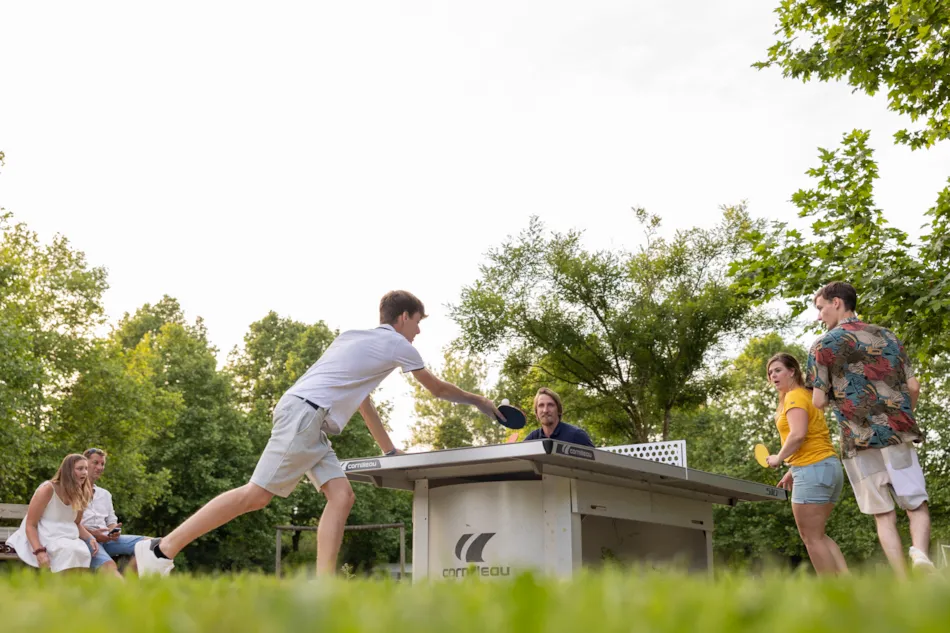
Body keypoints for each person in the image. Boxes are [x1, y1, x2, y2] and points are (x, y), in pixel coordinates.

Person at [135, 290, 502, 577]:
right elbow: (436, 389)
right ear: (404, 317)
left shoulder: (354, 338)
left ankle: (326, 586)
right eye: (418, 322)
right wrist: (481, 402)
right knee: (256, 495)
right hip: (306, 417)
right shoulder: (397, 345)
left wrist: (390, 452)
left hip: (310, 419)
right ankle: (161, 549)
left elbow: (362, 402)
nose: (419, 331)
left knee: (341, 497)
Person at [807, 281, 935, 575]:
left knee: (883, 513)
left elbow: (817, 401)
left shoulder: (822, 345)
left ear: (836, 302)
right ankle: (922, 557)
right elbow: (913, 386)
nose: (819, 316)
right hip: (897, 433)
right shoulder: (887, 336)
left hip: (858, 439)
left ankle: (904, 583)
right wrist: (898, 414)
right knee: (915, 504)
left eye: (820, 308)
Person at [764, 353, 848, 575]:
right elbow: (812, 437)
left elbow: (798, 435)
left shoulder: (794, 397)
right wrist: (792, 468)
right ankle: (847, 586)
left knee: (811, 538)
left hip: (812, 470)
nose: (773, 375)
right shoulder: (805, 395)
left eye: (778, 370)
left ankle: (832, 594)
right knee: (818, 534)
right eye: (770, 372)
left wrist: (778, 459)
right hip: (829, 469)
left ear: (792, 371)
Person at [7, 454, 98, 572]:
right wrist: (39, 551)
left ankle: (74, 588)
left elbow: (76, 523)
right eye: (80, 469)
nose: (85, 472)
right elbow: (30, 524)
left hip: (68, 537)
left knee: (83, 551)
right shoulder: (48, 489)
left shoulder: (82, 492)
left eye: (86, 468)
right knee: (69, 551)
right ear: (68, 471)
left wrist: (90, 537)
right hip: (46, 536)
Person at [81, 448, 150, 577]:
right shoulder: (73, 491)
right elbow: (70, 523)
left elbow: (111, 521)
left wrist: (113, 531)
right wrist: (93, 534)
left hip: (108, 540)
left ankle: (128, 579)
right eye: (96, 463)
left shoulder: (105, 494)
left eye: (102, 464)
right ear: (84, 463)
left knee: (154, 544)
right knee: (109, 566)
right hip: (86, 540)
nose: (100, 467)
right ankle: (123, 590)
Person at [522, 387, 595, 447]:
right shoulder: (531, 440)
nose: (545, 410)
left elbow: (596, 463)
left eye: (550, 405)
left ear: (559, 410)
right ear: (536, 412)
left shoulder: (576, 435)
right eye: (541, 405)